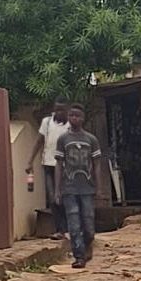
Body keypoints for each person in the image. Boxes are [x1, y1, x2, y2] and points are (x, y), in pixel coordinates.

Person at [54, 106, 104, 270]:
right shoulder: (63, 140)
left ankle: (88, 245)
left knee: (89, 225)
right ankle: (79, 256)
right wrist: (57, 189)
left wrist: (98, 187)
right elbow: (59, 165)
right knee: (74, 223)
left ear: (83, 118)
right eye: (71, 115)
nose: (74, 118)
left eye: (77, 115)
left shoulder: (91, 139)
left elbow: (96, 165)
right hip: (69, 188)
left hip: (87, 188)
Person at [28, 99, 69, 233]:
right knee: (52, 198)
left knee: (64, 197)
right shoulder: (47, 122)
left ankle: (67, 228)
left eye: (62, 110)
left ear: (66, 111)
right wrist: (30, 161)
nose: (58, 112)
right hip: (48, 164)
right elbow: (39, 141)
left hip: (65, 166)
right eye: (57, 109)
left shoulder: (69, 125)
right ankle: (60, 229)